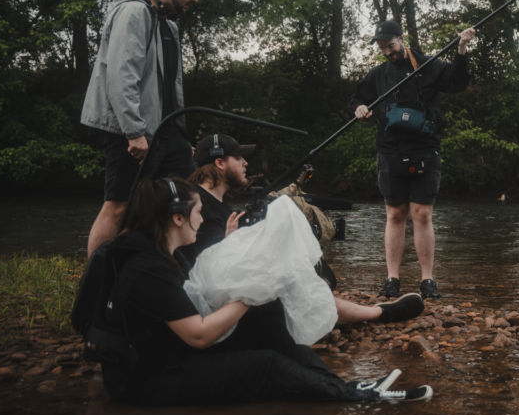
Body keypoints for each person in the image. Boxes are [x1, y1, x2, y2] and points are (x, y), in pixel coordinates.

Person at [101, 176, 432, 406]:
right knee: (266, 365)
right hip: (145, 379)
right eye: (197, 213)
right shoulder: (148, 268)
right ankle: (350, 397)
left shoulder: (160, 250)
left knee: (270, 314)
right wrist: (250, 291)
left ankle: (340, 386)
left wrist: (248, 278)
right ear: (176, 218)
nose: (201, 220)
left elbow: (197, 293)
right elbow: (199, 336)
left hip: (168, 353)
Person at [178, 133, 425, 325]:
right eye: (238, 158)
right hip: (217, 304)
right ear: (219, 163)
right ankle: (378, 313)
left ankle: (363, 311)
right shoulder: (199, 204)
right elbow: (209, 270)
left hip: (230, 291)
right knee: (294, 279)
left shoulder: (216, 203)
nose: (245, 163)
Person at [81, 0, 207, 259]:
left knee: (192, 196)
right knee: (119, 206)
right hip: (130, 130)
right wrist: (133, 132)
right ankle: (95, 284)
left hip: (165, 129)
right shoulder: (134, 12)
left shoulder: (170, 27)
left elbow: (169, 89)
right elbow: (120, 76)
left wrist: (180, 135)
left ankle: (174, 274)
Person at [347, 20, 476, 300]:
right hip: (389, 151)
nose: (387, 52)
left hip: (425, 150)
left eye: (390, 46)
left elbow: (457, 82)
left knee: (422, 214)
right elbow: (356, 98)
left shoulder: (429, 65)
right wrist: (357, 108)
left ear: (401, 39)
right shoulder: (378, 75)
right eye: (382, 48)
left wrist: (462, 47)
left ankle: (427, 280)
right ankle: (392, 279)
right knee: (394, 215)